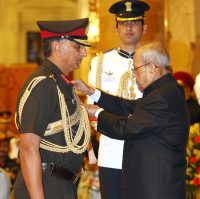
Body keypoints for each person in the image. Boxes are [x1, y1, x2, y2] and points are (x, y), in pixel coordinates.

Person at [72, 41, 190, 199]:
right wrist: (92, 93)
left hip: (157, 188)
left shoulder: (162, 96)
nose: (133, 75)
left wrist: (97, 113)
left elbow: (128, 128)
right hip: (155, 184)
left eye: (135, 69)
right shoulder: (164, 90)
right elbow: (129, 107)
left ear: (151, 67)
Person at [13, 18, 91, 199]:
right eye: (78, 47)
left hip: (59, 185)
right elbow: (28, 147)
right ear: (57, 46)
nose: (84, 53)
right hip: (45, 184)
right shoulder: (45, 84)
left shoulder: (58, 82)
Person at [88, 0, 150, 198]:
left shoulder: (156, 61)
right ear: (116, 28)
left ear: (144, 27)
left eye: (134, 22)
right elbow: (92, 112)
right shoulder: (100, 62)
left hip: (147, 152)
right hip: (112, 152)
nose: (129, 27)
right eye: (123, 23)